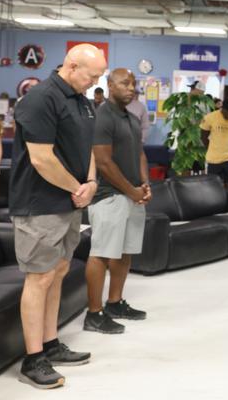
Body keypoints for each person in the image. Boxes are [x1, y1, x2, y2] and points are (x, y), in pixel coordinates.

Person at [9, 43, 107, 389]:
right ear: (71, 65)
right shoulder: (39, 99)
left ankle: (50, 344)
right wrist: (76, 188)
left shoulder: (81, 101)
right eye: (92, 75)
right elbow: (41, 158)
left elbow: (87, 150)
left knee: (59, 271)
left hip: (69, 203)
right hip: (40, 204)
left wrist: (92, 182)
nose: (96, 82)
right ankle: (32, 358)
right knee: (39, 277)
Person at [84, 69, 151, 335]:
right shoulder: (102, 116)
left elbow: (140, 154)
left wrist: (144, 185)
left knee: (125, 252)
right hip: (108, 196)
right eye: (125, 83)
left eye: (133, 84)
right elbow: (103, 161)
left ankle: (114, 303)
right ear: (110, 85)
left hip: (132, 196)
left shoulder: (133, 118)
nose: (131, 87)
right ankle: (93, 313)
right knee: (101, 253)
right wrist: (130, 191)